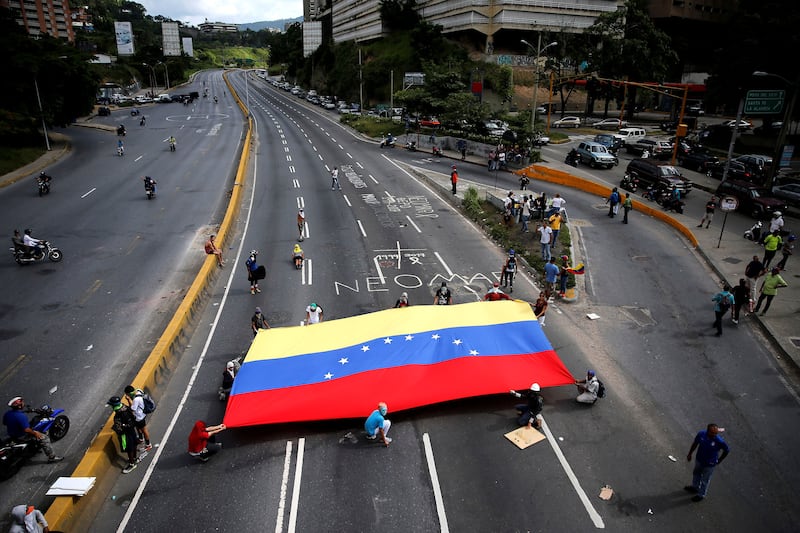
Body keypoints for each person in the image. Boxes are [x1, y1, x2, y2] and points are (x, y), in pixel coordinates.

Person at [2, 397, 63, 463]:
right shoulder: (21, 416)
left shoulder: (7, 414)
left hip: (12, 434)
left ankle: (34, 448)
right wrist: (35, 433)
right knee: (44, 438)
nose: (23, 403)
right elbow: (26, 430)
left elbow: (4, 423)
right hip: (22, 435)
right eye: (22, 403)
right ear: (19, 406)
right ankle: (52, 457)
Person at [685, 423, 730, 502]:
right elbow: (695, 443)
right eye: (712, 433)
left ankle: (701, 494)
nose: (714, 434)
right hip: (699, 459)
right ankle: (695, 487)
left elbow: (726, 450)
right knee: (696, 473)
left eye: (716, 433)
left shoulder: (719, 441)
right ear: (707, 431)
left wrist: (719, 460)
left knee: (705, 480)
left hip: (710, 464)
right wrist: (690, 454)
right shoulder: (701, 434)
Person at [107, 396, 139, 473]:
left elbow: (130, 423)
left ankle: (132, 464)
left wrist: (122, 426)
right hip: (131, 432)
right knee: (133, 445)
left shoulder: (121, 413)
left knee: (129, 448)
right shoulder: (125, 408)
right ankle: (134, 458)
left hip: (126, 433)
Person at [123, 386, 152, 452]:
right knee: (138, 428)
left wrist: (128, 400)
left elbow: (132, 409)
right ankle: (141, 439)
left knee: (144, 430)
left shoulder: (136, 399)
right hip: (141, 414)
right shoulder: (138, 391)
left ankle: (148, 445)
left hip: (139, 417)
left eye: (127, 394)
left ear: (129, 393)